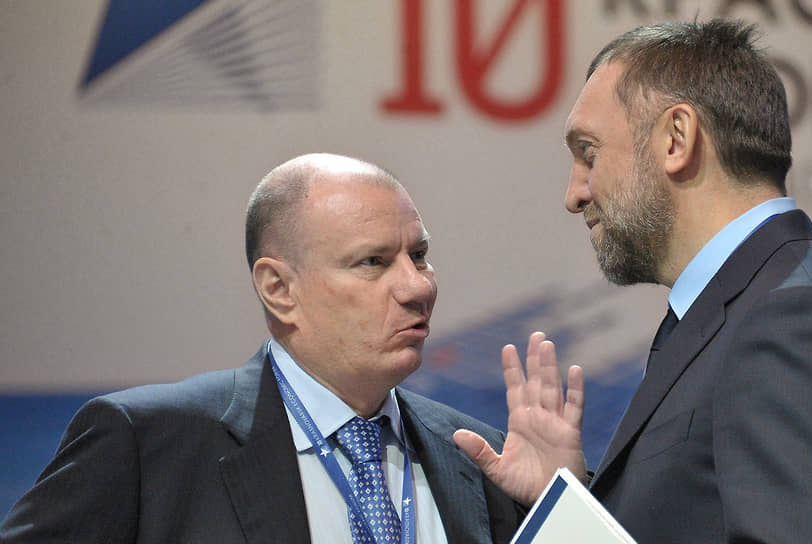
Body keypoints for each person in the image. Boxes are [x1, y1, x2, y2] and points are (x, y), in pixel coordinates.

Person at [454, 19, 812, 543]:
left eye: (589, 153)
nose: (574, 194)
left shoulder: (798, 321)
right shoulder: (767, 307)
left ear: (677, 138)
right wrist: (569, 507)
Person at [1, 153, 523, 543]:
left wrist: (556, 498)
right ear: (279, 289)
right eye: (373, 262)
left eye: (420, 255)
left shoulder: (478, 456)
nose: (417, 286)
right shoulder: (147, 444)